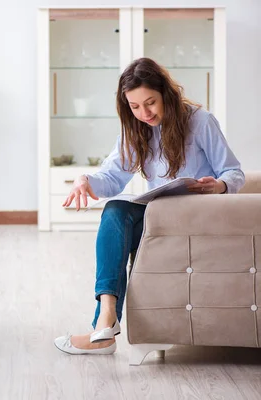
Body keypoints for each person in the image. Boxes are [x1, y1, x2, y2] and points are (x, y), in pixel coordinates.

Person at [54, 57, 245, 355]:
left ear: (165, 93)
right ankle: (106, 320)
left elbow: (234, 173)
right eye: (134, 106)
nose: (144, 113)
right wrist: (84, 180)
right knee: (115, 212)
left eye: (150, 102)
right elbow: (112, 177)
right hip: (159, 215)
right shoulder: (136, 129)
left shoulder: (200, 121)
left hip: (195, 216)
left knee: (120, 220)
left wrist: (217, 185)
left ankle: (102, 332)